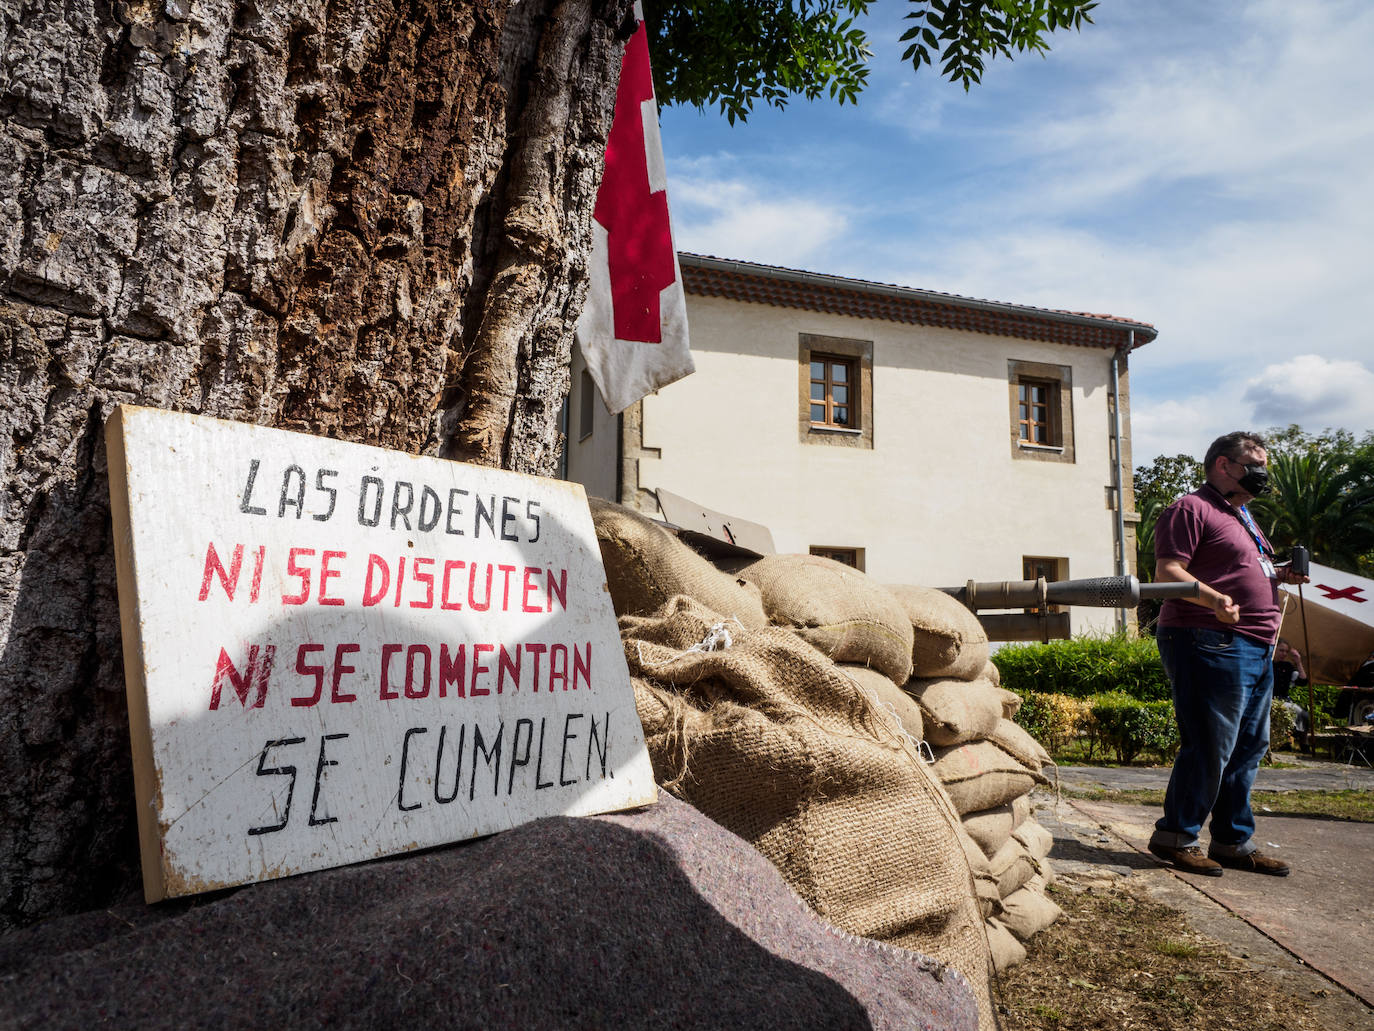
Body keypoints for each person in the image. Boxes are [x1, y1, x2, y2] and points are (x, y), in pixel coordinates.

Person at [1147, 431, 1309, 877]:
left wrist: (1278, 573)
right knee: (1210, 744)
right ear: (1223, 465)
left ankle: (1231, 841)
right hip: (1207, 639)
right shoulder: (1190, 509)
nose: (1262, 473)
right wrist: (1214, 599)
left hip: (1255, 645)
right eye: (1254, 464)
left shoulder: (1243, 516)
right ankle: (1176, 837)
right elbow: (1168, 571)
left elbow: (1243, 569)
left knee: (1248, 746)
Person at [1271, 638, 1309, 737]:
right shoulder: (1267, 663)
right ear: (1274, 649)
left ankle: (1303, 742)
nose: (1284, 654)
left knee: (1303, 715)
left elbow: (1302, 681)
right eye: (1281, 650)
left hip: (1284, 700)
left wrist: (1298, 662)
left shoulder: (1287, 666)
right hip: (1268, 699)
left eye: (1286, 651)